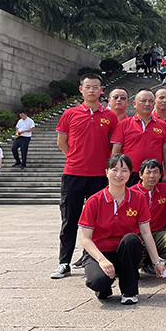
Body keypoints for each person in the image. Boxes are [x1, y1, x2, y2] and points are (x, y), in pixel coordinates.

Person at [52, 73, 118, 279]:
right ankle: (64, 262)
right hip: (73, 174)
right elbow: (61, 142)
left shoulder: (110, 116)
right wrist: (74, 157)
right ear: (81, 89)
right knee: (69, 219)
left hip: (99, 176)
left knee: (98, 221)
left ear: (101, 90)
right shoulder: (70, 114)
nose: (91, 90)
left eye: (95, 87)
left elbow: (113, 145)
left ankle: (91, 258)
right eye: (88, 86)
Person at [79, 154, 164, 304]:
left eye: (124, 170)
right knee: (98, 281)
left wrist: (157, 262)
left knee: (132, 239)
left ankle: (129, 292)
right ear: (106, 172)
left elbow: (146, 232)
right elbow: (85, 238)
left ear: (130, 174)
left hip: (125, 252)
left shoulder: (138, 198)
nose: (119, 175)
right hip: (100, 252)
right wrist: (102, 260)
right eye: (114, 169)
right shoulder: (94, 201)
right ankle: (104, 288)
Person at [111, 89, 166, 187]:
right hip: (129, 173)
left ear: (154, 104)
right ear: (134, 104)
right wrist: (114, 172)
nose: (147, 104)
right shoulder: (124, 124)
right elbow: (116, 150)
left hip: (153, 174)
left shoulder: (163, 125)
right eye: (143, 101)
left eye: (150, 101)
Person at [131, 158, 166, 271]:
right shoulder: (131, 193)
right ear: (140, 175)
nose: (152, 176)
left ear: (160, 175)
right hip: (139, 236)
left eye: (156, 172)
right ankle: (146, 263)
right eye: (148, 172)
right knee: (134, 261)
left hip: (158, 234)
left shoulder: (165, 189)